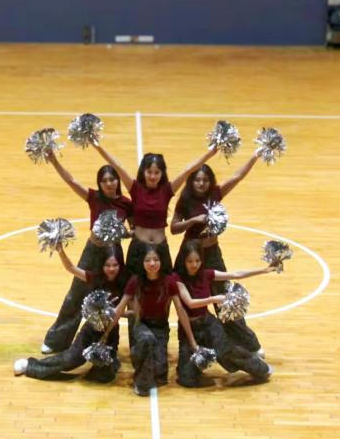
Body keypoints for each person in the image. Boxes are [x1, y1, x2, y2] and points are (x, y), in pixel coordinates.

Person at [170, 150, 265, 354]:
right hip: (190, 255)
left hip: (212, 253)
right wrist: (193, 221)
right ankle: (190, 344)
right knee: (184, 299)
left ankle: (249, 345)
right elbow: (174, 228)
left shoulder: (215, 194)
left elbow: (237, 176)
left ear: (210, 181)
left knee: (225, 298)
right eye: (197, 180)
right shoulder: (185, 200)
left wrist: (255, 156)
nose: (201, 183)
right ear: (191, 182)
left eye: (205, 180)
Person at [40, 150, 132, 354]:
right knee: (76, 294)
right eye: (104, 181)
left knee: (110, 297)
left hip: (113, 253)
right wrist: (54, 161)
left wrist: (123, 232)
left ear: (118, 181)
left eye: (112, 179)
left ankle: (103, 340)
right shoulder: (94, 198)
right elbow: (71, 181)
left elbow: (134, 229)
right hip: (93, 250)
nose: (109, 184)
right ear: (99, 183)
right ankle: (56, 341)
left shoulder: (126, 204)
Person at [92, 142, 218, 277]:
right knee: (134, 286)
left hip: (160, 248)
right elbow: (117, 166)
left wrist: (210, 153)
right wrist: (98, 147)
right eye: (149, 172)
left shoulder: (167, 190)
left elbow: (188, 170)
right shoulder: (135, 188)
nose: (153, 176)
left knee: (165, 285)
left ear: (162, 173)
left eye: (157, 172)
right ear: (143, 172)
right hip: (138, 248)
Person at [14, 245, 126, 383]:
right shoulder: (95, 277)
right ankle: (30, 365)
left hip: (110, 333)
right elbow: (71, 268)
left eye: (115, 265)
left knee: (104, 375)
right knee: (71, 359)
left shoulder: (125, 282)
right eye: (107, 265)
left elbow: (131, 311)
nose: (111, 269)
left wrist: (113, 313)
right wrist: (61, 250)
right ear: (102, 265)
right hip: (91, 330)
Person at [174, 240, 275, 387]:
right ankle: (194, 369)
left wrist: (264, 270)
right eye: (190, 261)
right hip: (189, 328)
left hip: (208, 323)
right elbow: (189, 303)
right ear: (183, 261)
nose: (194, 265)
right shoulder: (177, 279)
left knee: (228, 351)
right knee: (186, 379)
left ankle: (262, 369)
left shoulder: (206, 274)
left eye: (197, 261)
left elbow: (235, 274)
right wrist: (193, 343)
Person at [106, 247, 198, 396]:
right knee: (146, 339)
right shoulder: (135, 281)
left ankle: (145, 363)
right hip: (141, 324)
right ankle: (141, 384)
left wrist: (192, 341)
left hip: (160, 327)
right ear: (142, 263)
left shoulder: (169, 281)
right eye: (148, 260)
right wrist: (104, 336)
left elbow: (181, 311)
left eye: (156, 260)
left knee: (159, 373)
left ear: (161, 261)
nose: (152, 263)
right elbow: (120, 307)